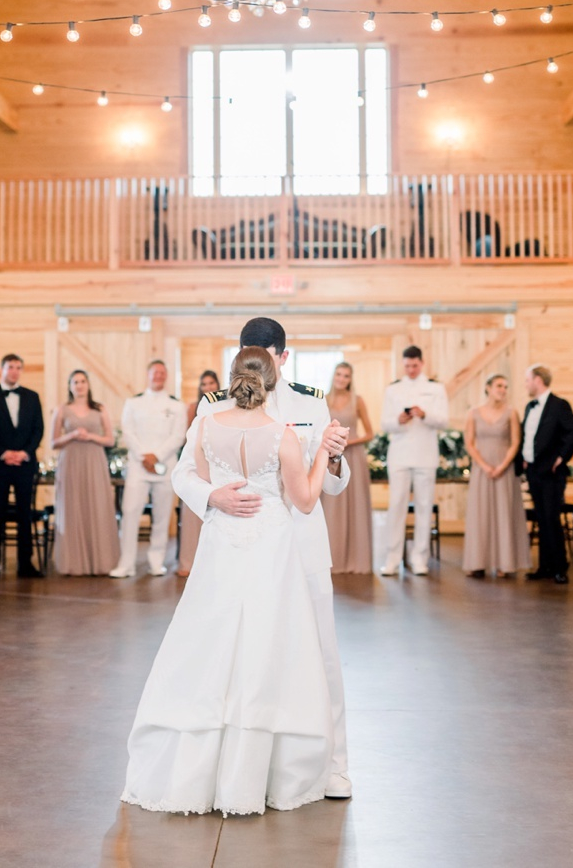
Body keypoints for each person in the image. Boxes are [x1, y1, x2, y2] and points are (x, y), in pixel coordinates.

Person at [123, 347, 340, 816]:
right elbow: (303, 500)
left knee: (210, 640)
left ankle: (199, 768)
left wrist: (220, 496)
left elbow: (206, 478)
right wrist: (321, 451)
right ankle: (261, 771)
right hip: (271, 547)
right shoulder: (282, 435)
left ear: (232, 378)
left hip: (222, 543)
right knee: (265, 646)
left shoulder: (204, 426)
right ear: (273, 378)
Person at [172, 317, 353, 801]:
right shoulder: (215, 406)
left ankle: (332, 764)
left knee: (319, 656)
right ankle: (243, 765)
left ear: (283, 358)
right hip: (240, 549)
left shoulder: (311, 402)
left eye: (266, 356)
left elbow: (330, 480)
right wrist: (214, 496)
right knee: (238, 655)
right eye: (247, 355)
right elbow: (183, 473)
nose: (256, 366)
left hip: (301, 546)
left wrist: (334, 457)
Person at [110, 360, 187, 578]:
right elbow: (128, 432)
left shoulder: (176, 405)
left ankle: (157, 562)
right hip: (138, 465)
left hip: (164, 466)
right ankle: (126, 563)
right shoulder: (133, 403)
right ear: (148, 375)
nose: (158, 376)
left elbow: (178, 436)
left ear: (167, 376)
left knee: (161, 517)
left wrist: (157, 456)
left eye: (162, 373)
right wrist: (144, 455)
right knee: (130, 512)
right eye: (155, 373)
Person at [380, 345, 449, 577]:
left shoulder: (435, 388)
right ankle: (391, 559)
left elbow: (444, 421)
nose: (411, 369)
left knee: (423, 507)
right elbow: (385, 424)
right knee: (396, 507)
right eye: (407, 366)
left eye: (415, 365)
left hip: (425, 455)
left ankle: (420, 558)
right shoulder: (393, 390)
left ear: (422, 363)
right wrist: (399, 419)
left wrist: (425, 415)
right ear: (403, 364)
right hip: (399, 455)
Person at [0, 354, 45, 580]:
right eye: (10, 367)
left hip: (24, 464)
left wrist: (24, 453)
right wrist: (4, 453)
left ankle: (26, 563)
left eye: (18, 368)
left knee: (25, 513)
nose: (14, 371)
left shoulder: (32, 397)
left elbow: (38, 429)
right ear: (2, 369)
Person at [51, 369, 119, 575]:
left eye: (82, 381)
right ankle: (74, 562)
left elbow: (110, 439)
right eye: (75, 382)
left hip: (94, 461)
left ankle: (99, 561)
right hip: (71, 462)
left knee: (96, 505)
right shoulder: (62, 410)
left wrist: (90, 436)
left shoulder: (99, 409)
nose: (79, 385)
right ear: (70, 386)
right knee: (73, 507)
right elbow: (53, 442)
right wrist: (71, 435)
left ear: (88, 385)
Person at [521, 364, 573, 585]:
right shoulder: (530, 407)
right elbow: (529, 437)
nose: (526, 384)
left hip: (551, 473)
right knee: (541, 519)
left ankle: (559, 567)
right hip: (533, 472)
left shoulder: (559, 405)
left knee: (551, 518)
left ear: (538, 380)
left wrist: (561, 458)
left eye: (527, 379)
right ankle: (545, 566)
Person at [462, 374, 530, 578]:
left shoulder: (511, 413)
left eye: (506, 386)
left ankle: (504, 563)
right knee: (480, 514)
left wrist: (502, 466)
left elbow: (515, 442)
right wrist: (484, 465)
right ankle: (478, 562)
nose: (503, 390)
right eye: (499, 385)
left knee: (504, 513)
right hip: (481, 469)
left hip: (504, 469)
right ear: (488, 388)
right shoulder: (473, 413)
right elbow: (469, 443)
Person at [322, 361, 374, 574]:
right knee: (331, 506)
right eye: (338, 375)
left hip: (354, 456)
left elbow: (369, 433)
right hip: (332, 455)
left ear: (351, 379)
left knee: (356, 505)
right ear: (333, 376)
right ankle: (333, 560)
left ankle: (356, 559)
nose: (341, 379)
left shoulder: (358, 401)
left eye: (346, 376)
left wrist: (348, 442)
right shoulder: (324, 400)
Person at [176, 370, 220, 578]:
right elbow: (187, 437)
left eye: (211, 383)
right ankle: (188, 561)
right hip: (195, 457)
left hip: (217, 461)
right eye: (204, 384)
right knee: (192, 512)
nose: (208, 387)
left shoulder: (224, 406)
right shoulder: (193, 408)